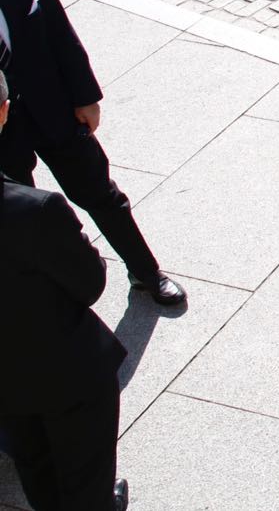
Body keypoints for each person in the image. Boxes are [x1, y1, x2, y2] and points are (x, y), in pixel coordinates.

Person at [1, 0, 188, 311]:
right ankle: (50, 294)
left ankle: (145, 272)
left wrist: (85, 96)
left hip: (53, 109)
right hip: (2, 130)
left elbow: (60, 32)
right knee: (23, 217)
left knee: (102, 194)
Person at [0, 72, 132, 511]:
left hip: (9, 384)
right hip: (66, 376)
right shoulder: (35, 210)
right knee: (86, 480)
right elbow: (91, 283)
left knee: (37, 472)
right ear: (3, 113)